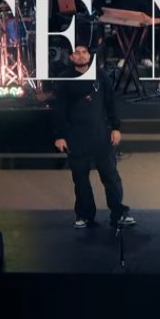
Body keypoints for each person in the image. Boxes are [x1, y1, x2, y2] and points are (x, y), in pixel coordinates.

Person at [51, 44, 135, 229]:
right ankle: (85, 215)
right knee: (80, 179)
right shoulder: (64, 79)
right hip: (76, 136)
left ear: (89, 56)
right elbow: (59, 110)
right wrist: (60, 136)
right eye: (77, 53)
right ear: (71, 57)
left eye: (84, 52)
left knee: (111, 176)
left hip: (100, 134)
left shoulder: (101, 76)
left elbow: (111, 103)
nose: (81, 56)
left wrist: (116, 127)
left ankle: (118, 213)